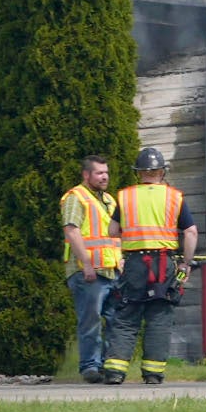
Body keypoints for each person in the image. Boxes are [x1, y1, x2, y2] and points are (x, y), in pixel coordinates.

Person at [107, 145, 194, 384]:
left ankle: (115, 371)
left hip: (135, 262)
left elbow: (112, 230)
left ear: (139, 172)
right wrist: (185, 264)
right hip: (164, 263)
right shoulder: (175, 197)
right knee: (159, 315)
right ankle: (153, 374)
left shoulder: (125, 196)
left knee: (127, 313)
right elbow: (191, 232)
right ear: (162, 172)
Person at [60, 154, 123, 383]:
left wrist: (122, 261)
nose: (104, 176)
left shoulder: (109, 200)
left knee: (116, 320)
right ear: (86, 175)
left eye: (106, 172)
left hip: (112, 270)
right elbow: (71, 230)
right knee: (91, 320)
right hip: (88, 272)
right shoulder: (76, 197)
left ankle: (110, 366)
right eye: (99, 173)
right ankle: (90, 366)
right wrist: (86, 263)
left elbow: (117, 235)